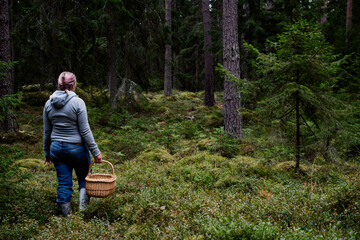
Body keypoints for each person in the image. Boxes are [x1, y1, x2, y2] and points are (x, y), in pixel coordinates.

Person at [43, 71, 103, 217]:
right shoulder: (78, 102)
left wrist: (46, 153)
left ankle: (66, 218)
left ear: (59, 84)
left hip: (56, 148)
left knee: (64, 183)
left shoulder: (48, 104)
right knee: (84, 178)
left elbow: (47, 132)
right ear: (74, 84)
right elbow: (85, 130)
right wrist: (96, 152)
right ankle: (83, 213)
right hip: (76, 148)